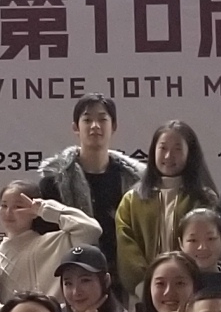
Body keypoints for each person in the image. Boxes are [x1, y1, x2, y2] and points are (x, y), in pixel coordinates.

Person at [36, 95, 143, 264]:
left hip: (124, 273)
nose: (95, 126)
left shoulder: (135, 181)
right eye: (87, 120)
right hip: (71, 272)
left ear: (114, 126)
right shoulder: (54, 181)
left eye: (102, 119)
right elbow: (46, 239)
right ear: (75, 127)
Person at [116, 120, 217, 297]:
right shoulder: (132, 200)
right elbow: (126, 246)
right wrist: (145, 287)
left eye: (177, 149)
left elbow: (209, 246)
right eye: (163, 148)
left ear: (190, 153)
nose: (169, 156)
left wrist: (191, 284)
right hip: (144, 295)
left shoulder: (204, 199)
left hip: (194, 293)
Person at [0, 181, 103, 299]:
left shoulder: (53, 243)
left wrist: (43, 209)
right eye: (4, 206)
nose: (8, 212)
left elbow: (91, 229)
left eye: (18, 207)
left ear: (34, 213)